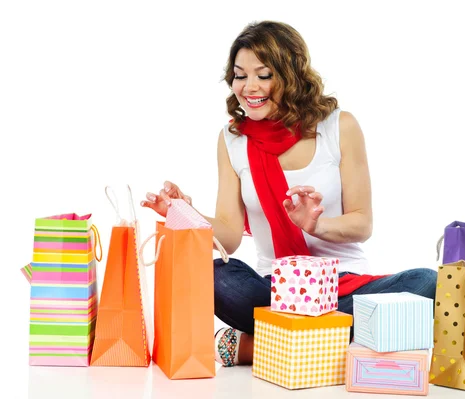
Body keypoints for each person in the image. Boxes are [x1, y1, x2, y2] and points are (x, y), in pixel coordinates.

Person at [142, 20, 437, 368]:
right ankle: (347, 343)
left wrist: (316, 225)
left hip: (343, 286)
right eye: (240, 75)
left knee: (427, 283)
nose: (249, 87)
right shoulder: (232, 140)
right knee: (217, 277)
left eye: (263, 75)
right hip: (275, 291)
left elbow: (362, 223)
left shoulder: (339, 127)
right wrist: (182, 211)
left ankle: (255, 347)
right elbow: (229, 235)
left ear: (291, 75)